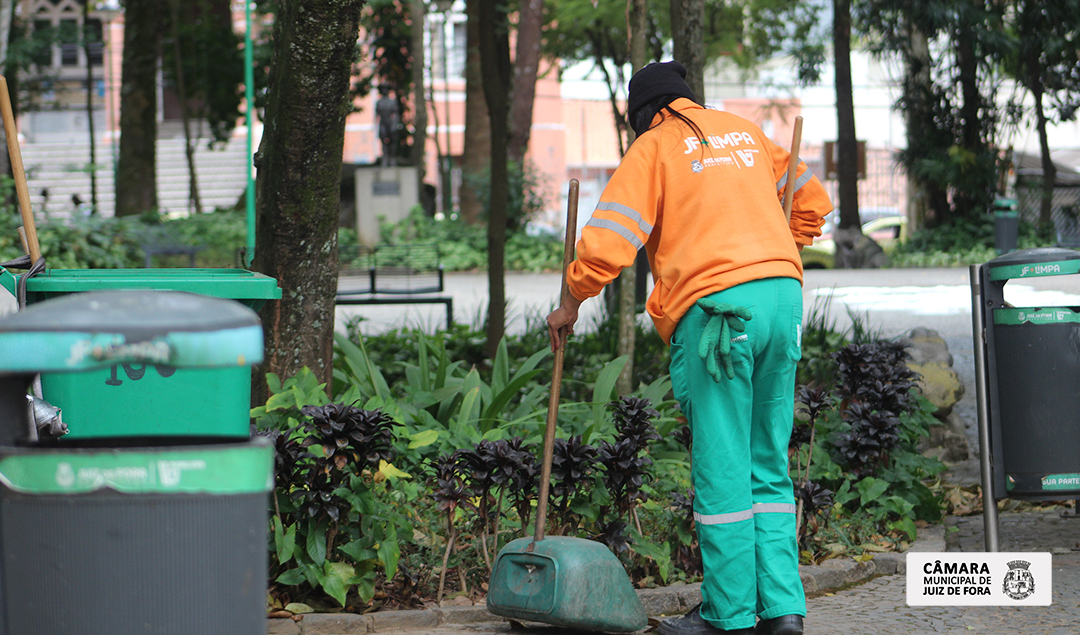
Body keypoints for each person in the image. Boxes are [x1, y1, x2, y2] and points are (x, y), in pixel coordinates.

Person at [545, 61, 833, 635]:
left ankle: (728, 616)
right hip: (783, 299)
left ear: (643, 117)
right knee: (767, 463)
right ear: (687, 98)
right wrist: (778, 247)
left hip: (718, 311)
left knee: (724, 465)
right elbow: (813, 203)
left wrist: (572, 299)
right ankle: (784, 612)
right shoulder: (746, 133)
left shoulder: (653, 149)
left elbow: (609, 241)